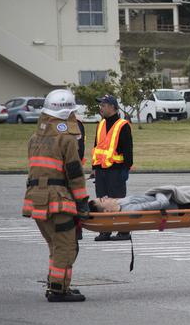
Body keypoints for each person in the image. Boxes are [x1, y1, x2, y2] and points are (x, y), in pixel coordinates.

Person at [22, 89, 90, 302]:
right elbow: (75, 174)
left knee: (55, 245)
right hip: (58, 202)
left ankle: (57, 285)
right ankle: (59, 290)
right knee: (66, 246)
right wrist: (82, 203)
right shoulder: (66, 139)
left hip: (36, 201)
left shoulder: (34, 139)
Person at [91, 94, 133, 241]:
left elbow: (128, 150)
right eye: (100, 105)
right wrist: (94, 168)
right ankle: (105, 230)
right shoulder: (101, 124)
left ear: (112, 107)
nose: (100, 108)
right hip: (101, 170)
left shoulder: (123, 125)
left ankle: (124, 231)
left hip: (116, 170)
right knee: (102, 201)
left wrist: (126, 169)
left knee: (118, 201)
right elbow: (97, 147)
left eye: (103, 105)